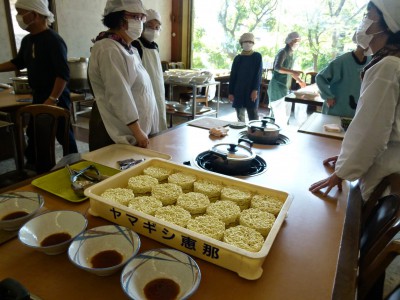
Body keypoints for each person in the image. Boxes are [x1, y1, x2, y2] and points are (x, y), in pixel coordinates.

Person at [310, 0, 400, 201]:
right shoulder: (389, 61)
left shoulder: (388, 67)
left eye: (369, 14)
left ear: (388, 23)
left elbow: (372, 131)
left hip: (384, 171)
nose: (364, 21)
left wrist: (342, 172)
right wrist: (347, 160)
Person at [0, 0, 78, 172]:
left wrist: (52, 99)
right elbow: (18, 62)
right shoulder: (28, 40)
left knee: (63, 133)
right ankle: (36, 167)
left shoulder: (53, 40)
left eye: (20, 13)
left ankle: (74, 165)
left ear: (34, 15)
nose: (18, 17)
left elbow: (63, 74)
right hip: (38, 95)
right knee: (35, 133)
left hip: (56, 97)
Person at [88, 0, 159, 148]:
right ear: (119, 18)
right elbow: (119, 93)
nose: (140, 22)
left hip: (131, 132)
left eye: (142, 17)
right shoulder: (108, 48)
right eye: (135, 17)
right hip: (116, 132)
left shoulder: (129, 47)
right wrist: (138, 131)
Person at [132, 9, 167, 131]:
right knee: (147, 120)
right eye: (150, 26)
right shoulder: (136, 45)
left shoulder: (155, 46)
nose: (153, 30)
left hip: (158, 87)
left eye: (157, 27)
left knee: (159, 117)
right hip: (145, 89)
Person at [316, 44, 371, 118]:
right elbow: (320, 78)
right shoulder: (342, 61)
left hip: (357, 111)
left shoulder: (371, 61)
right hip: (337, 109)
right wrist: (328, 96)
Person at [228, 32, 263, 122]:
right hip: (238, 90)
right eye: (246, 41)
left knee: (253, 117)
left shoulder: (257, 56)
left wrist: (255, 90)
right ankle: (242, 133)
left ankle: (254, 134)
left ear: (253, 43)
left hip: (251, 90)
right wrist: (231, 92)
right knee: (240, 117)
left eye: (250, 42)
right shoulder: (238, 58)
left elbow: (258, 75)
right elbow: (233, 76)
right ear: (241, 44)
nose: (248, 43)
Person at [267, 31, 306, 103]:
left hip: (283, 86)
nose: (298, 43)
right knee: (276, 109)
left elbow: (289, 71)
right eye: (296, 41)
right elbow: (277, 67)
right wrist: (293, 71)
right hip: (277, 85)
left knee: (281, 110)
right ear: (290, 41)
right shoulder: (283, 52)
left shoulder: (290, 54)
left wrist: (300, 81)